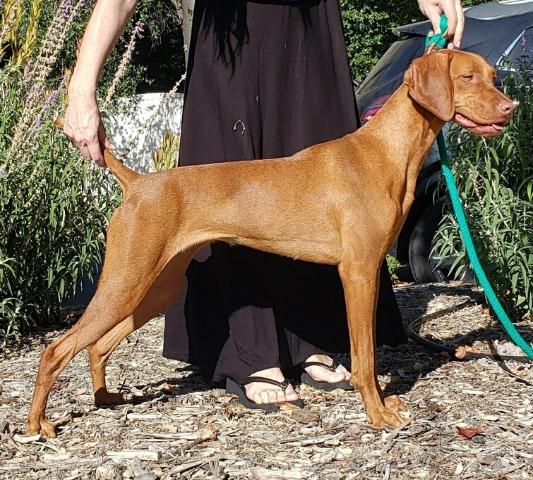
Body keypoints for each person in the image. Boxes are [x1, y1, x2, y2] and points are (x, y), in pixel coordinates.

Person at [63, 0, 464, 410]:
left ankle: (310, 343)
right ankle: (252, 355)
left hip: (312, 32)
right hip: (231, 39)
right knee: (137, 284)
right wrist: (81, 87)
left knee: (315, 210)